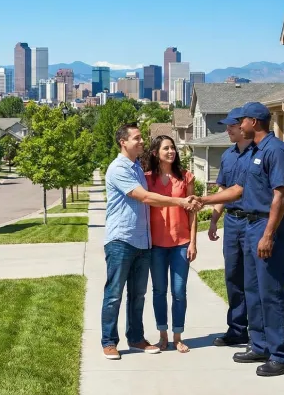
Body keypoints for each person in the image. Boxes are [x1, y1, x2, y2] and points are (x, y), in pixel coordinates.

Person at [196, 102, 284, 377]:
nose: (238, 126)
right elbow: (238, 189)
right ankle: (261, 344)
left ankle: (282, 356)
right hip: (250, 226)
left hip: (267, 225)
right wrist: (204, 200)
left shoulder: (275, 151)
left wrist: (268, 235)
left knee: (271, 292)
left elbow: (280, 195)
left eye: (242, 122)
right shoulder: (255, 152)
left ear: (254, 122)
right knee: (253, 290)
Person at [101, 124, 200, 360]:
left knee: (138, 295)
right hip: (121, 239)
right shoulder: (118, 169)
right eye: (137, 138)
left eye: (142, 139)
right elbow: (144, 197)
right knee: (114, 294)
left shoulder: (137, 168)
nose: (142, 142)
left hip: (143, 242)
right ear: (123, 142)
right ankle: (109, 342)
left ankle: (135, 338)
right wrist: (180, 201)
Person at [144, 135, 197, 353]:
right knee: (158, 291)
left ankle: (177, 336)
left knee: (179, 292)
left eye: (173, 148)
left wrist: (193, 242)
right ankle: (162, 335)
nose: (171, 151)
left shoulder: (186, 177)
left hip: (181, 243)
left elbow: (192, 212)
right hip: (156, 245)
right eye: (166, 148)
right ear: (156, 153)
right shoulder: (147, 179)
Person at [208, 107, 255, 348]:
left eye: (231, 126)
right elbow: (222, 191)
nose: (227, 130)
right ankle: (237, 329)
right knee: (233, 277)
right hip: (233, 222)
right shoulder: (227, 156)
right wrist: (215, 220)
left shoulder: (258, 154)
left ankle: (258, 335)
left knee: (252, 279)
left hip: (252, 221)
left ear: (244, 126)